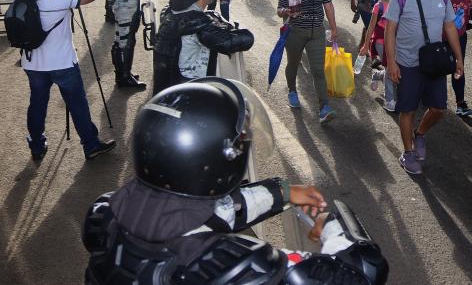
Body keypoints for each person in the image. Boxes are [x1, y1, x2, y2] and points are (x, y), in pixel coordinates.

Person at [83, 79, 389, 284]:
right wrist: (332, 223)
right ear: (221, 157)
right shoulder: (236, 265)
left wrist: (284, 193)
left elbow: (201, 216)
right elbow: (364, 269)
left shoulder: (104, 214)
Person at [20, 0, 116, 161]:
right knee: (77, 103)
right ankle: (90, 145)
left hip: (32, 62)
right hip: (62, 62)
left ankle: (36, 146)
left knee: (37, 103)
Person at [384, 0, 464, 175]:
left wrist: (459, 58)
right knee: (407, 109)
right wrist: (392, 63)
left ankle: (419, 134)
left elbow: (449, 27)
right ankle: (408, 153)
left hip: (434, 63)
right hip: (407, 62)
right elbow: (390, 31)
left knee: (439, 108)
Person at [153, 0, 253, 94]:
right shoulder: (198, 24)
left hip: (168, 94)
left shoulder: (170, 12)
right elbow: (239, 41)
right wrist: (237, 30)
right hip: (190, 99)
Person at [277, 0, 338, 124]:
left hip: (317, 32)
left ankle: (324, 107)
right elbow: (279, 10)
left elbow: (328, 5)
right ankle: (291, 90)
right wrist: (287, 11)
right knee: (293, 64)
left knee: (318, 70)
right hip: (295, 32)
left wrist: (334, 28)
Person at [360, 0, 400, 112]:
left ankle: (377, 75)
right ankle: (390, 100)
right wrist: (366, 46)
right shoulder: (379, 5)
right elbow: (370, 27)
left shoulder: (401, 4)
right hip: (380, 42)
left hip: (397, 43)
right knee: (390, 68)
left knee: (395, 68)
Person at [442, 0, 472, 115]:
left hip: (461, 35)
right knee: (440, 68)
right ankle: (436, 98)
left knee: (459, 66)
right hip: (441, 37)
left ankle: (460, 103)